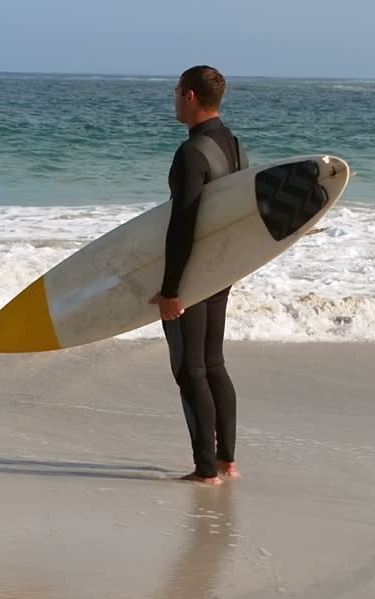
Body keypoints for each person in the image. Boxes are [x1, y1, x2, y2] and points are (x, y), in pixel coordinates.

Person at [147, 65, 248, 486]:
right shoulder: (235, 146)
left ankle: (205, 468)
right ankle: (227, 461)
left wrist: (170, 290)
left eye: (176, 92)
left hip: (192, 275)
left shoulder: (191, 153)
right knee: (213, 364)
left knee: (190, 369)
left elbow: (183, 224)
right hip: (220, 270)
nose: (173, 99)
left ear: (189, 96)